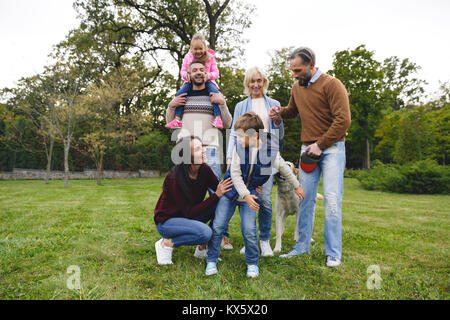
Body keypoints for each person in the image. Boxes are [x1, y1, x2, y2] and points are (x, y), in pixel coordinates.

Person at [269, 47, 351, 267]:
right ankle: (301, 246)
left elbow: (343, 120)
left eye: (298, 69)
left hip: (332, 148)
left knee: (332, 201)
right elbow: (294, 111)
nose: (294, 74)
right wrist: (280, 112)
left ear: (311, 64)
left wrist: (320, 145)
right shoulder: (297, 87)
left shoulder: (332, 85)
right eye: (292, 70)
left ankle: (333, 253)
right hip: (308, 149)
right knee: (305, 199)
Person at [205, 112, 305, 278]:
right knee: (218, 225)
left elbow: (284, 168)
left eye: (239, 135)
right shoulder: (239, 149)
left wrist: (297, 186)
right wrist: (246, 195)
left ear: (254, 135)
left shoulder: (270, 151)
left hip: (250, 193)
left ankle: (252, 262)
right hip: (231, 190)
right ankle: (211, 259)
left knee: (250, 230)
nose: (236, 139)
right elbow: (235, 175)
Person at [166, 59, 235, 250]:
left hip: (211, 149)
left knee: (218, 192)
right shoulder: (183, 96)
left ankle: (221, 236)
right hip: (185, 150)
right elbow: (170, 121)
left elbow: (227, 123)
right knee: (185, 192)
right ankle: (186, 233)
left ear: (206, 74)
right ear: (188, 75)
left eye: (202, 70)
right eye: (194, 70)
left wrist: (222, 104)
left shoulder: (214, 94)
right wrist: (171, 105)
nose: (198, 72)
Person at [226, 66, 284, 257]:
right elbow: (235, 133)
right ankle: (249, 240)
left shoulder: (274, 103)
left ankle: (265, 239)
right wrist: (229, 157)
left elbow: (280, 134)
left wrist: (277, 121)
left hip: (265, 158)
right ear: (247, 84)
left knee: (265, 201)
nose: (256, 84)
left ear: (264, 83)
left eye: (259, 81)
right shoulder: (241, 106)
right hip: (244, 160)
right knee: (247, 199)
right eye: (252, 81)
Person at [154, 136, 233, 265]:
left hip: (189, 217)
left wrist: (247, 189)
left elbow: (221, 188)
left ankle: (202, 249)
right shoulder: (174, 178)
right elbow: (189, 212)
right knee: (205, 232)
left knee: (222, 203)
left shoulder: (204, 169)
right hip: (168, 222)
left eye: (202, 146)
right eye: (197, 149)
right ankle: (167, 243)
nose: (203, 150)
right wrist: (216, 195)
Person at [165, 33, 223, 129]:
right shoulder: (188, 58)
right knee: (180, 93)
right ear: (191, 48)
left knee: (214, 93)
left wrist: (208, 75)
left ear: (205, 48)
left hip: (208, 81)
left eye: (200, 49)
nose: (198, 51)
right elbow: (182, 70)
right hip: (189, 81)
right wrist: (186, 75)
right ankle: (177, 119)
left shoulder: (210, 58)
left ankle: (217, 118)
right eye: (195, 49)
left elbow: (216, 72)